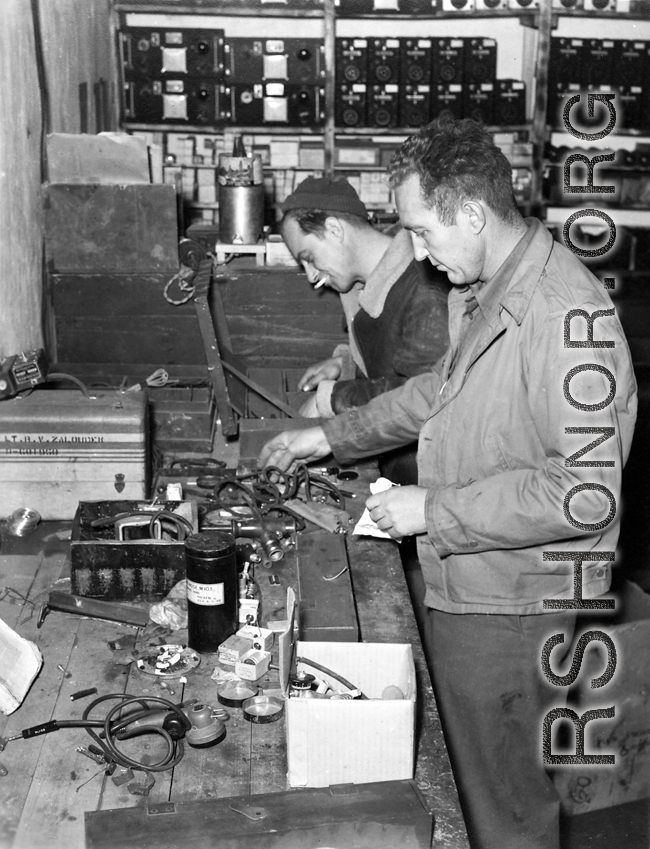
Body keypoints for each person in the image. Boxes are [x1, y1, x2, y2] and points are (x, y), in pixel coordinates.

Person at [259, 116, 637, 849]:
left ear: (472, 212)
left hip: (515, 604)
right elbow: (438, 391)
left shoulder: (567, 315)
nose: (421, 256)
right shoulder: (491, 287)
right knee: (470, 788)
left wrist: (432, 508)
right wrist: (329, 434)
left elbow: (586, 490)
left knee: (503, 807)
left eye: (425, 232)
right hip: (471, 582)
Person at [280, 175, 450, 484]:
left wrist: (330, 399)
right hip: (396, 461)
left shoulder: (425, 288)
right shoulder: (372, 279)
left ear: (334, 229)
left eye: (309, 258)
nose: (310, 275)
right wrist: (346, 363)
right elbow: (394, 351)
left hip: (427, 479)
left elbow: (421, 398)